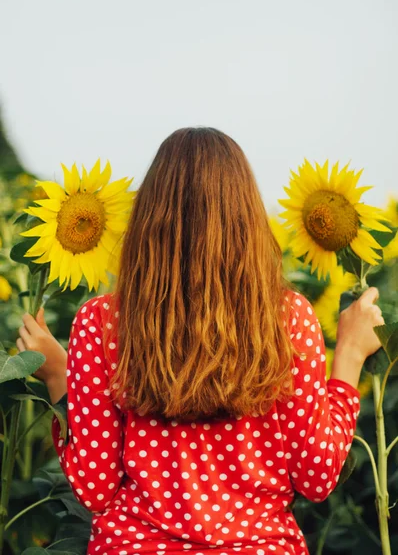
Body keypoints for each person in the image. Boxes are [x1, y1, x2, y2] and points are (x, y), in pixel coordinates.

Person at [17, 127, 384, 555]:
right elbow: (317, 478)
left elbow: (95, 489)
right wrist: (350, 356)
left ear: (147, 219)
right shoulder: (287, 318)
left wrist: (61, 376)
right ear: (248, 218)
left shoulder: (101, 323)